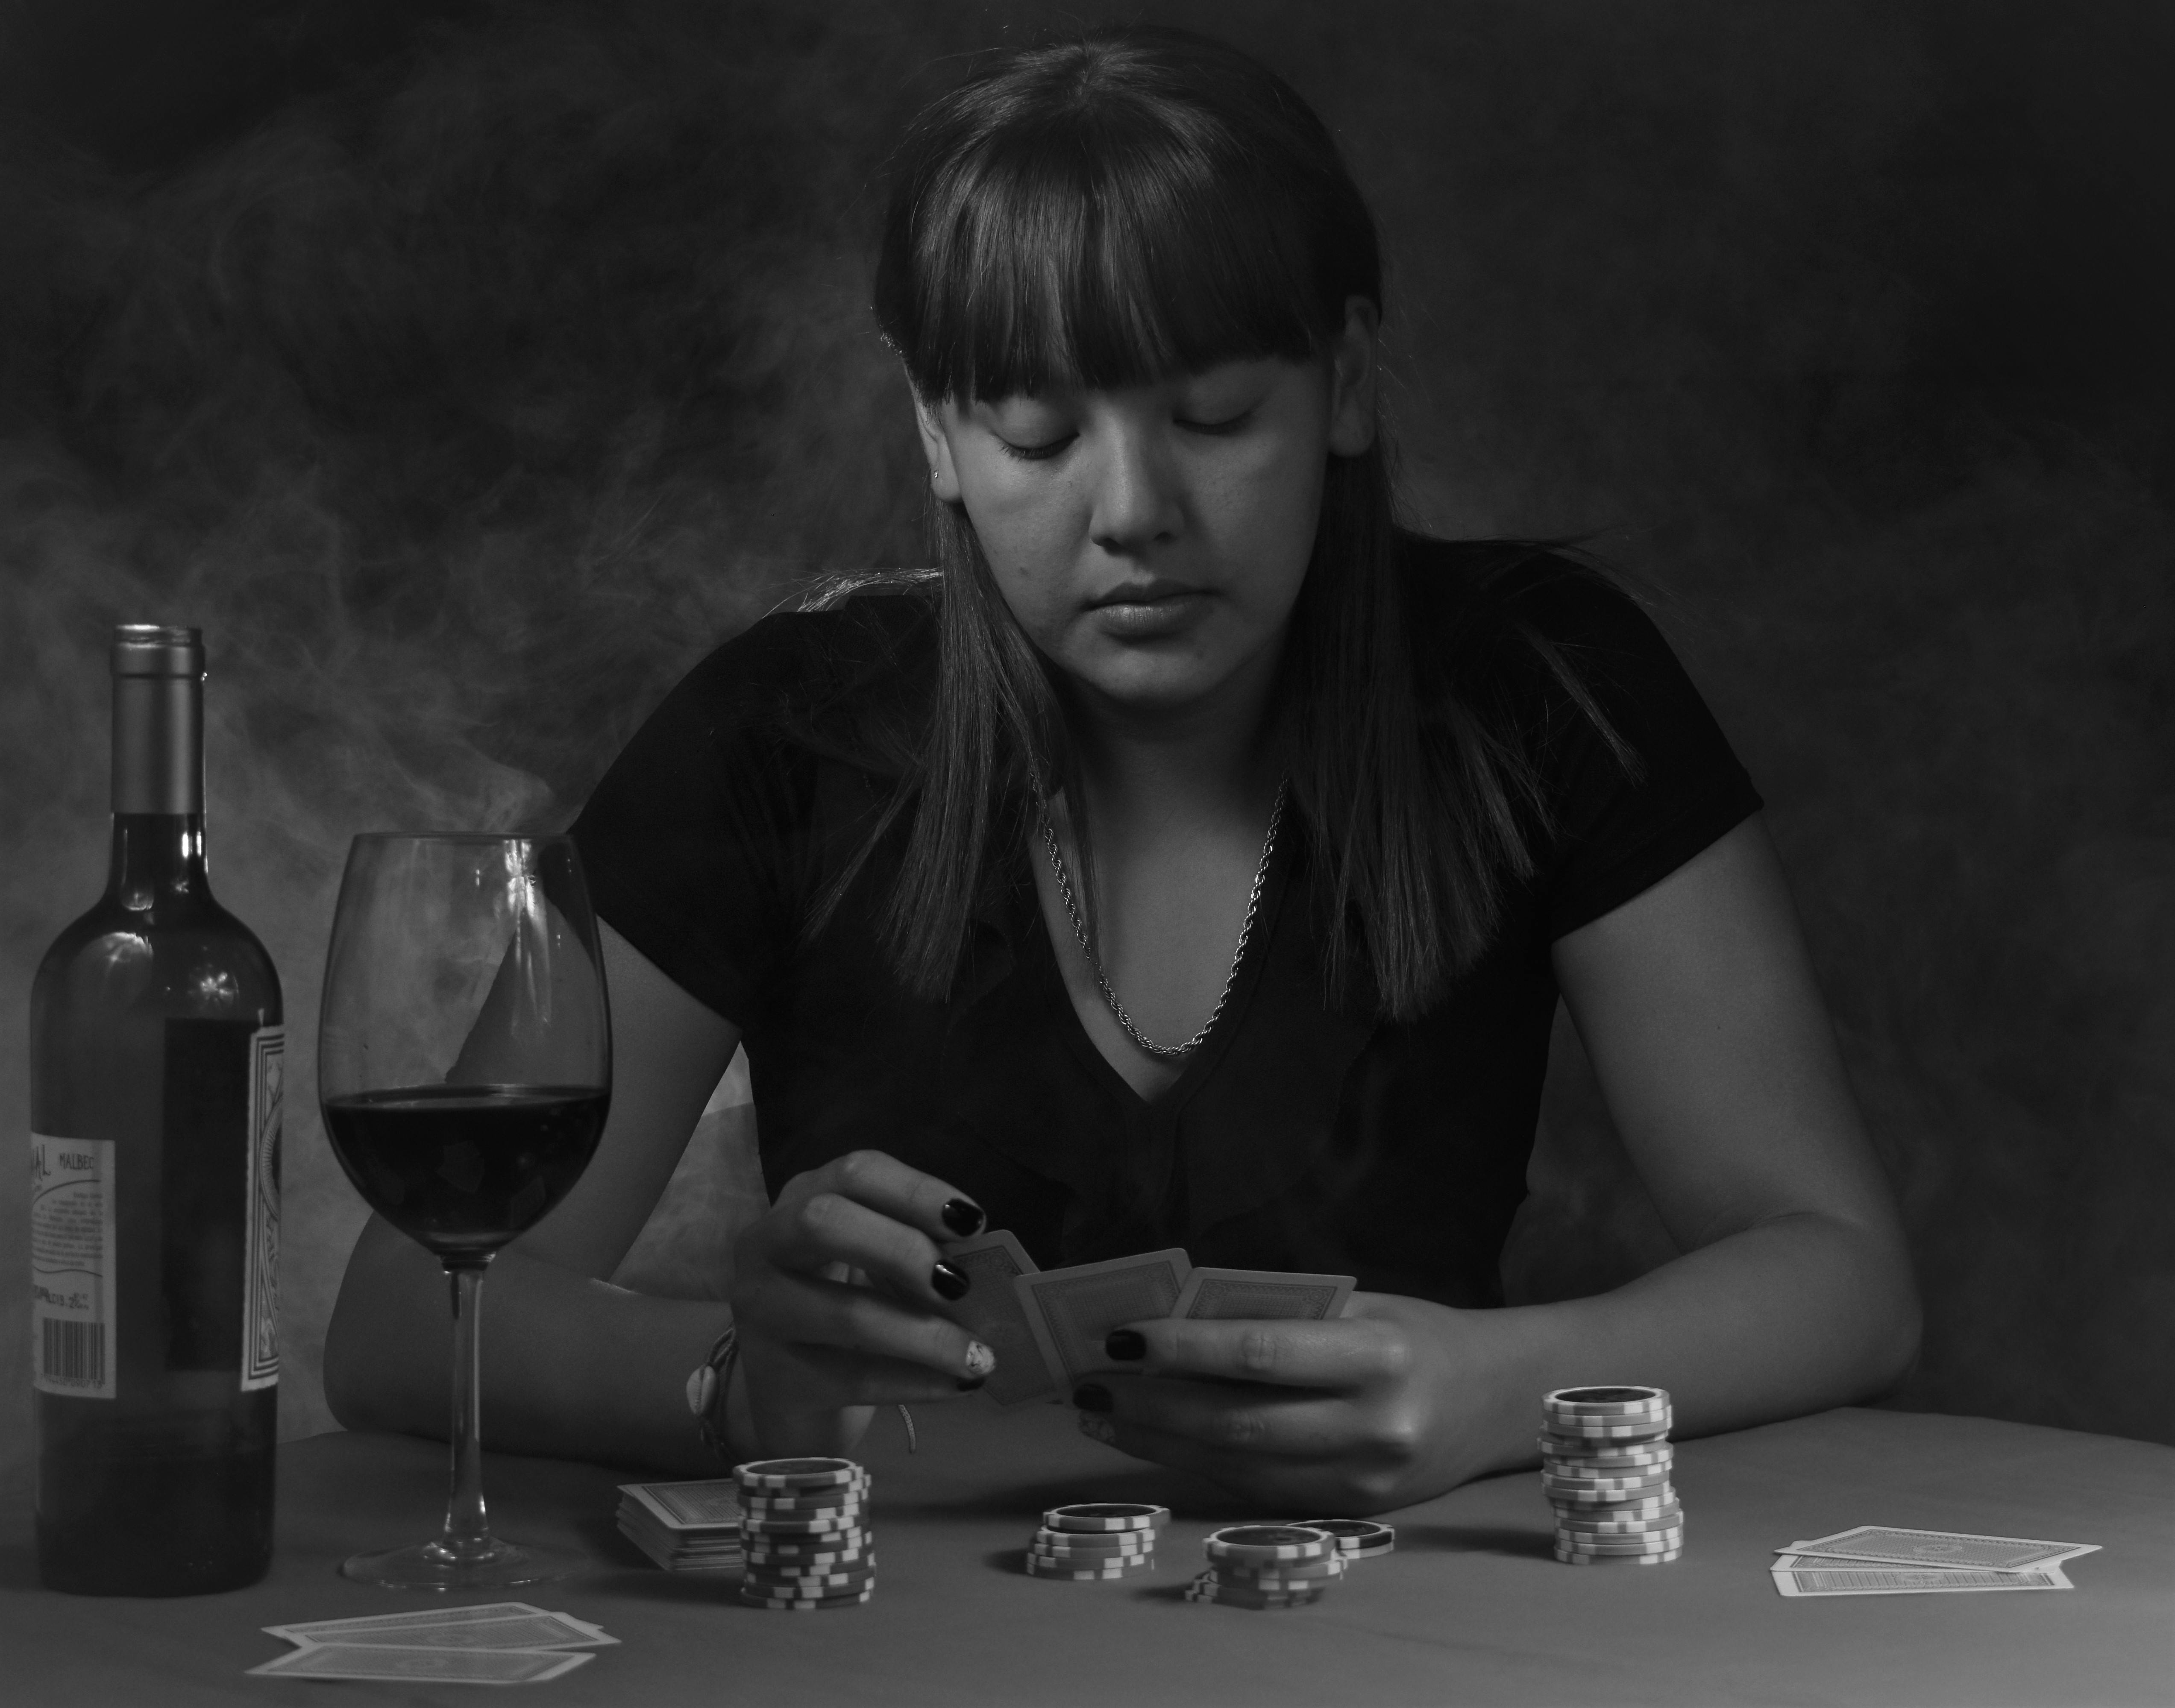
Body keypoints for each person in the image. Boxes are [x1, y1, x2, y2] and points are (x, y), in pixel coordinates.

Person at [325, 24, 1920, 1513]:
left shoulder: (1540, 681)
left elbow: (1838, 1271)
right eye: (1035, 435)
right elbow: (404, 1317)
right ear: (936, 435)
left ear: (1348, 384)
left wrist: (1501, 1386)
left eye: (1214, 415)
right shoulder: (780, 729)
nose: (1135, 508)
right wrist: (738, 1393)